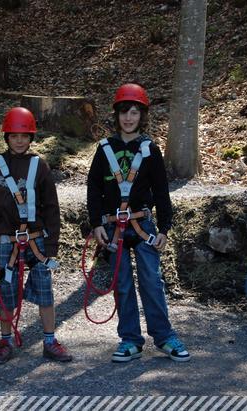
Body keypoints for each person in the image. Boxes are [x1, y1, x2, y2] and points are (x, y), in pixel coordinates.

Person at [86, 83, 190, 363]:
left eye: (134, 112)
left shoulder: (150, 150)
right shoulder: (105, 149)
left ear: (142, 116)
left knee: (151, 280)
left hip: (142, 225)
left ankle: (164, 336)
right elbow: (94, 188)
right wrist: (96, 223)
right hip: (112, 227)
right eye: (124, 112)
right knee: (122, 284)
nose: (128, 118)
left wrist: (165, 227)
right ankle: (130, 339)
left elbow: (161, 190)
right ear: (116, 115)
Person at [0, 107, 72, 365]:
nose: (19, 141)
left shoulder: (40, 166)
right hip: (6, 240)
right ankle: (5, 341)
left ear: (31, 138)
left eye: (24, 136)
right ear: (6, 137)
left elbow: (51, 208)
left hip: (36, 240)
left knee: (45, 290)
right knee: (6, 291)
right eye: (14, 136)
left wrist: (52, 246)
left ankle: (50, 341)